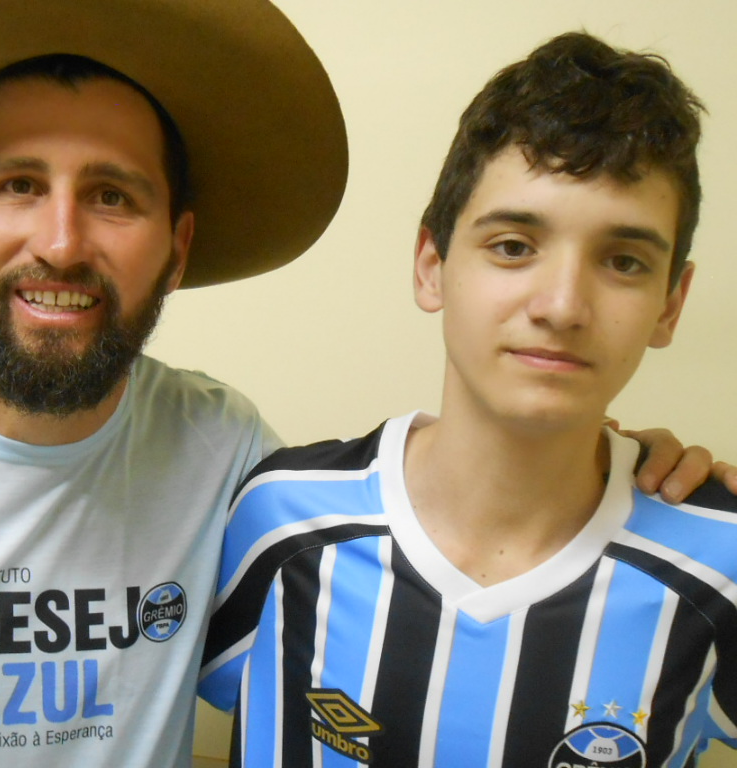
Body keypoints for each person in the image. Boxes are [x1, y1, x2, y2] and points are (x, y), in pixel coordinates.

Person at [0, 3, 727, 765]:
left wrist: (642, 469)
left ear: (177, 244)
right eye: (17, 184)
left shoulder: (230, 460)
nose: (60, 241)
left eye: (113, 196)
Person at [200, 32, 737, 767]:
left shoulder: (720, 560)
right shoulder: (281, 518)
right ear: (432, 266)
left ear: (671, 303)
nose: (561, 305)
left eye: (623, 261)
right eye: (514, 245)